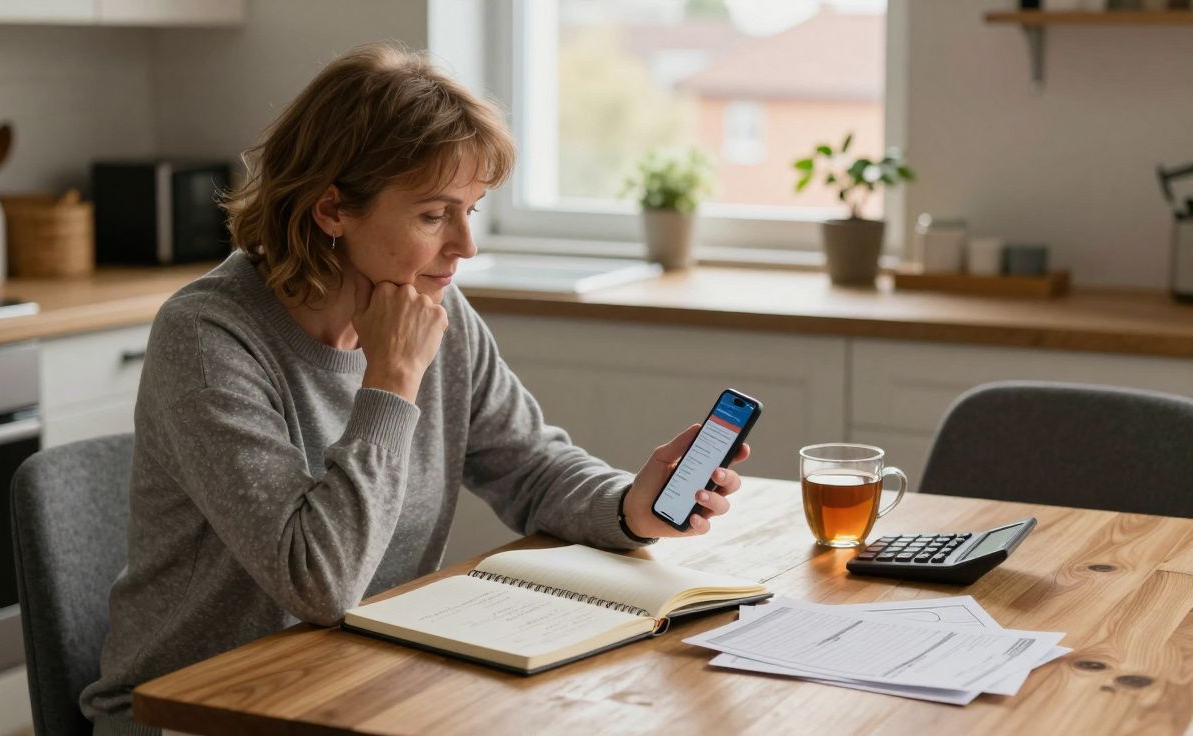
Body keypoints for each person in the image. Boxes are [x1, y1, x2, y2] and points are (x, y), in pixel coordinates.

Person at [81, 42, 749, 735]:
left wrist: (628, 504)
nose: (465, 246)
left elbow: (527, 463)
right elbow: (317, 581)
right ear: (331, 209)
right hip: (196, 710)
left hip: (356, 682)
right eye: (434, 215)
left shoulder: (437, 310)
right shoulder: (209, 338)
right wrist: (392, 381)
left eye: (473, 211)